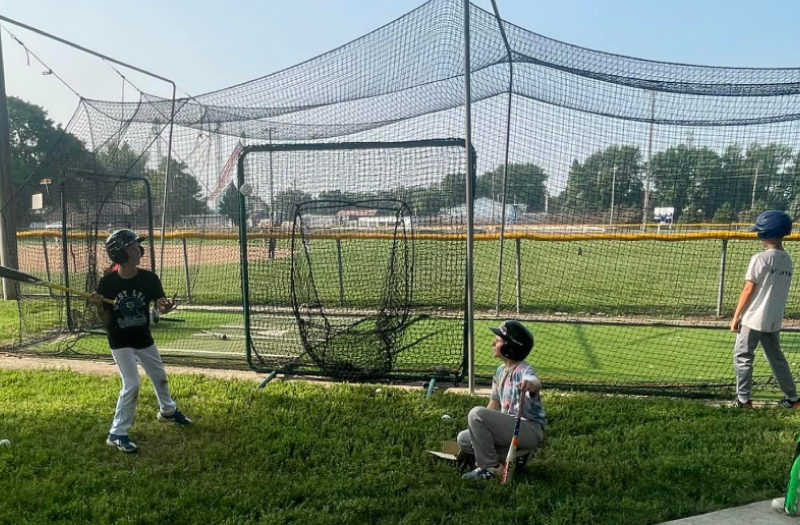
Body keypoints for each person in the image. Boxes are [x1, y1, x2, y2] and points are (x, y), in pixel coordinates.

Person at [89, 229, 192, 453]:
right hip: (120, 341)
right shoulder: (108, 283)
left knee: (160, 377)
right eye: (133, 247)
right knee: (132, 384)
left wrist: (165, 308)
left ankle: (168, 411)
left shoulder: (149, 279)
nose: (140, 250)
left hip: (143, 338)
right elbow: (106, 320)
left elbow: (160, 306)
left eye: (138, 246)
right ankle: (117, 433)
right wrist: (99, 305)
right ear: (121, 254)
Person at [457, 320, 546, 481]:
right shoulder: (499, 372)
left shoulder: (523, 369)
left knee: (475, 413)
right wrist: (479, 431)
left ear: (509, 347)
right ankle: (517, 457)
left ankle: (490, 468)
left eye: (498, 341)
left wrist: (531, 385)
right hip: (510, 429)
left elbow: (534, 381)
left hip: (528, 429)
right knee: (463, 439)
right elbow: (494, 403)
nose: (493, 343)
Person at [731, 210, 798, 409]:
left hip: (752, 318)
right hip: (773, 319)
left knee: (743, 357)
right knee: (777, 359)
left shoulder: (760, 258)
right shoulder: (787, 259)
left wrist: (736, 316)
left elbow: (748, 288)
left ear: (765, 233)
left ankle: (743, 400)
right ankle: (793, 398)